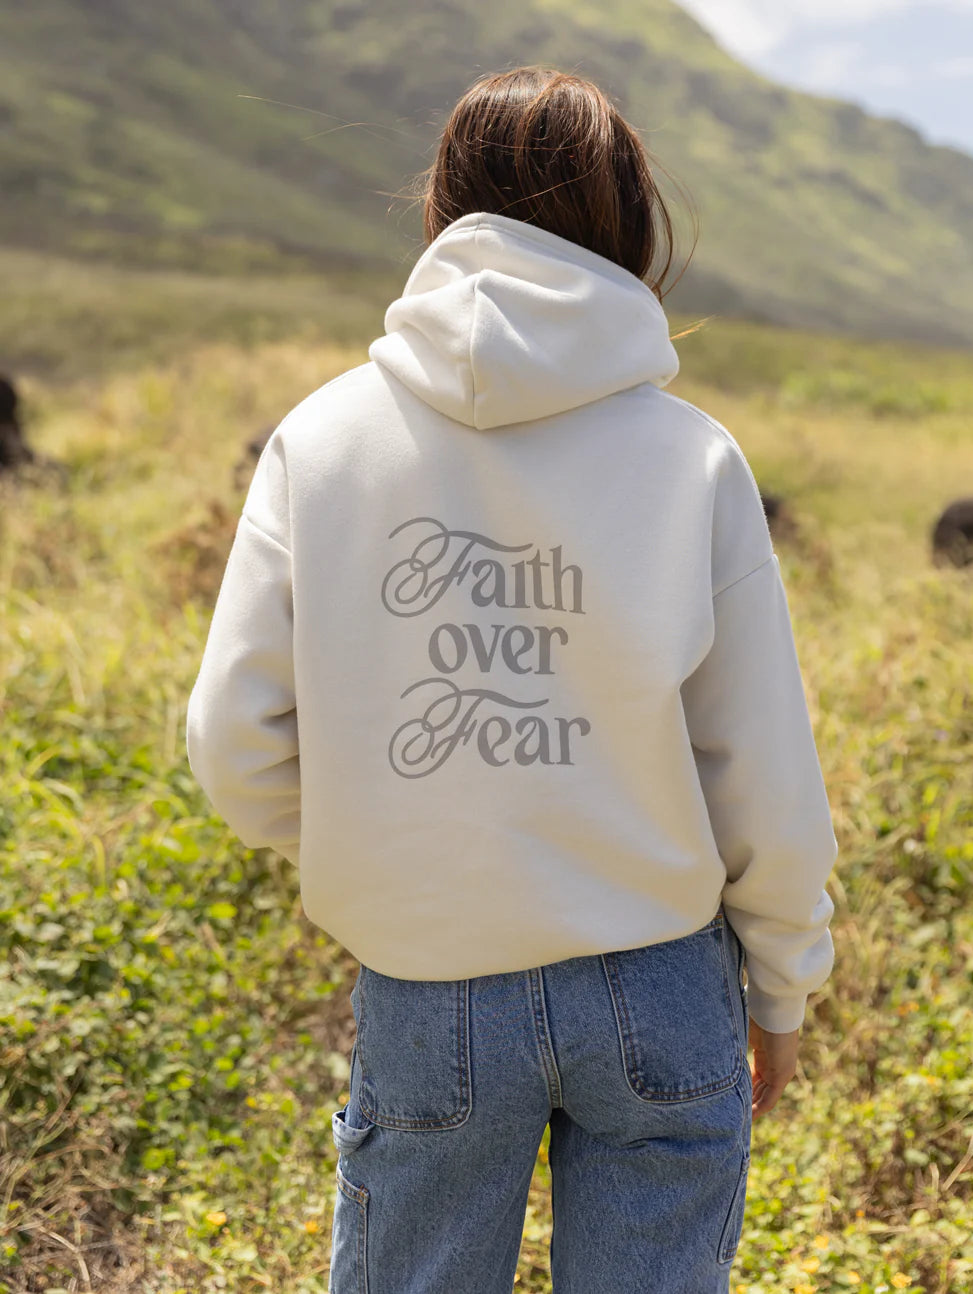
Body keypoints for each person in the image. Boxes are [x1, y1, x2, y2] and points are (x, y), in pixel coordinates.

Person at [186, 65, 837, 1294]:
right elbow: (761, 767)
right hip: (659, 973)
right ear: (632, 221)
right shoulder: (693, 457)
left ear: (441, 205)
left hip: (429, 979)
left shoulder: (322, 441)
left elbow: (234, 739)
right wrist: (786, 985)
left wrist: (387, 853)